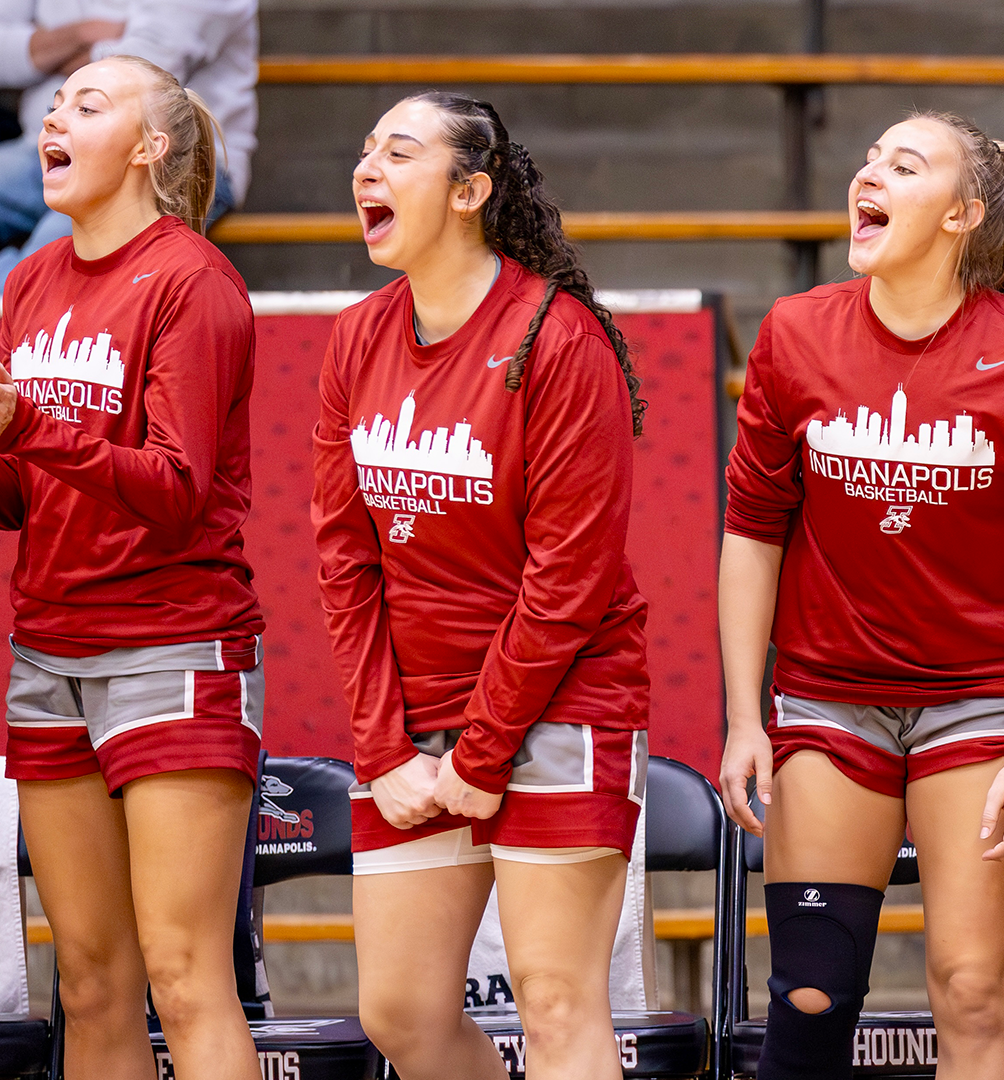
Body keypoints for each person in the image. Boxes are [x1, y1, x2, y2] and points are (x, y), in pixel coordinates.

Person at [718, 111, 1004, 1080]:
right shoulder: (796, 334)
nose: (868, 175)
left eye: (904, 163)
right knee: (809, 994)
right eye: (868, 159)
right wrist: (742, 720)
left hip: (978, 709)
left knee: (972, 992)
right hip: (828, 702)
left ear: (966, 212)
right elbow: (753, 534)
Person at [312, 91, 649, 1080]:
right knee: (403, 1015)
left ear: (469, 190)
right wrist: (383, 747)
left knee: (554, 1001)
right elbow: (344, 560)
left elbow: (569, 579)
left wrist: (485, 748)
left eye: (399, 153)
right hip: (415, 724)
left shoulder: (559, 338)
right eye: (364, 149)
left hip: (560, 703)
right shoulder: (355, 339)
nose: (367, 169)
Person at [0, 56, 261, 1080]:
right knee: (90, 981)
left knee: (186, 974)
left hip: (173, 645)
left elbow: (174, 486)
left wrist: (29, 422)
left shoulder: (194, 280)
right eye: (54, 105)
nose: (56, 118)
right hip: (46, 649)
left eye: (89, 105)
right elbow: (27, 501)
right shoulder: (28, 280)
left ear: (151, 148)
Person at [0, 0, 256, 280]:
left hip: (167, 162)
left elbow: (143, 72)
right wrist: (83, 34)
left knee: (42, 271)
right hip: (42, 150)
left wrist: (43, 48)